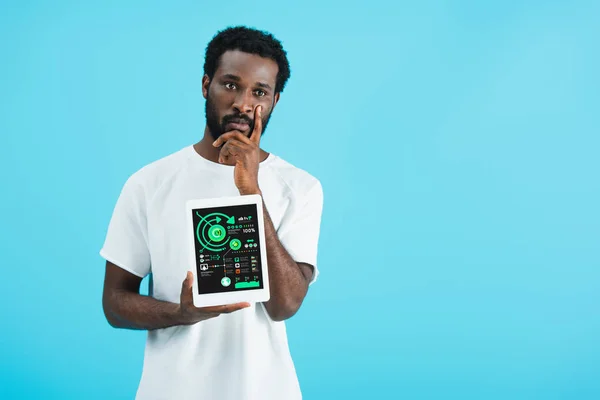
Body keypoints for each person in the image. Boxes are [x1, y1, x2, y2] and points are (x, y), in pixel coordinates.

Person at [100, 26, 323, 400]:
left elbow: (285, 305)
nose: (242, 103)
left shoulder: (300, 187)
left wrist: (251, 190)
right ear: (207, 85)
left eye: (259, 92)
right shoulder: (148, 183)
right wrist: (180, 314)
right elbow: (114, 303)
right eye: (231, 85)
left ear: (274, 101)